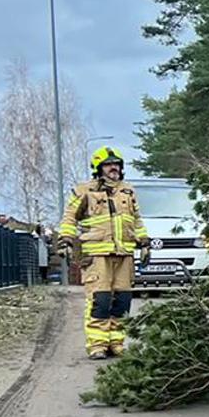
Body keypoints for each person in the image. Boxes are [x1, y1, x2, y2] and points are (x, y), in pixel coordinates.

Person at [56, 147, 150, 359]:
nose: (114, 168)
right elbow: (70, 217)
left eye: (117, 164)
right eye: (108, 165)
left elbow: (136, 220)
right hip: (97, 256)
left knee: (122, 301)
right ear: (98, 168)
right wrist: (65, 241)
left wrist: (144, 243)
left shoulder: (128, 191)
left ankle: (116, 343)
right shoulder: (84, 191)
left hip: (124, 254)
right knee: (101, 301)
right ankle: (97, 345)